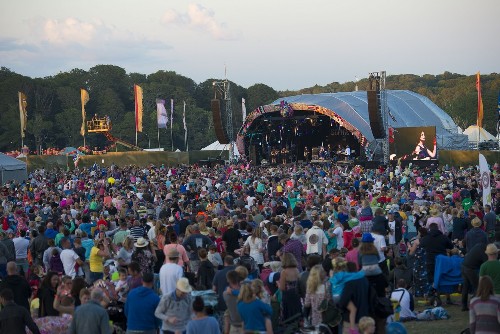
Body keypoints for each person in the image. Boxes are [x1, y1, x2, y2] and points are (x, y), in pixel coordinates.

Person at [461, 243, 487, 311]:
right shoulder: (483, 251)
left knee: (465, 287)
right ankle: (474, 304)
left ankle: (464, 306)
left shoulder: (478, 246)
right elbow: (486, 263)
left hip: (464, 266)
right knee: (478, 287)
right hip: (470, 269)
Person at [279, 252, 302, 322]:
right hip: (296, 295)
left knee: (288, 317)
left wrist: (278, 284)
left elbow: (282, 288)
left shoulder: (284, 272)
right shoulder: (297, 270)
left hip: (287, 296)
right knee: (296, 315)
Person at [224, 270, 244, 334]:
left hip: (234, 327)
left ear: (228, 280)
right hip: (246, 326)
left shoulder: (225, 294)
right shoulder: (245, 293)